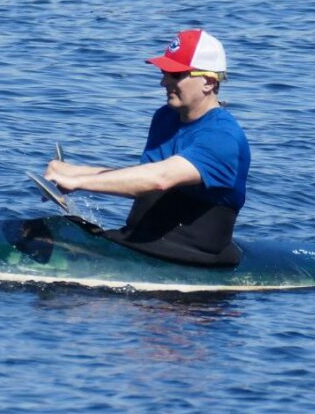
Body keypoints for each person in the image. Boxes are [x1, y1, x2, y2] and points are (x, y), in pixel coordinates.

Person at [44, 28, 251, 267]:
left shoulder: (223, 138)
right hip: (141, 242)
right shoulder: (166, 117)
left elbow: (160, 179)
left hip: (194, 257)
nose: (164, 81)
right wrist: (76, 171)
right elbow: (145, 173)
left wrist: (80, 183)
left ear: (208, 82)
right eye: (164, 72)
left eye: (175, 74)